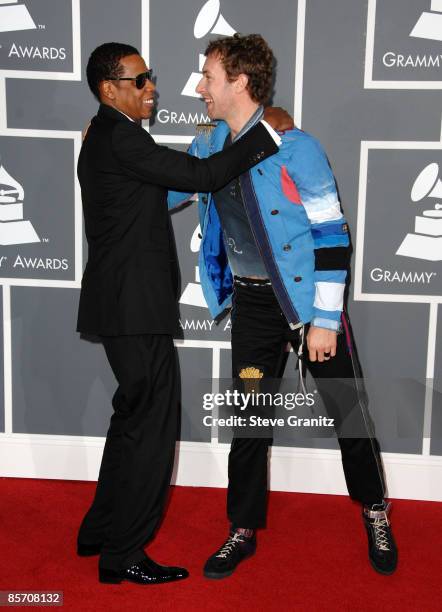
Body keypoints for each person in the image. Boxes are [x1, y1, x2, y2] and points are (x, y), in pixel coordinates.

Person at [168, 34, 398, 578]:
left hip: (305, 304)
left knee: (349, 414)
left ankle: (376, 511)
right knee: (250, 420)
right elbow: (164, 189)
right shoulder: (208, 147)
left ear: (239, 83)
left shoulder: (299, 148)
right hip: (252, 308)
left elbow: (332, 234)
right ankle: (241, 529)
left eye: (208, 76)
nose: (200, 87)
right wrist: (112, 149)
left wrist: (323, 320)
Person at [76, 41, 290, 586]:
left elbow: (176, 179)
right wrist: (265, 133)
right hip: (134, 309)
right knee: (150, 429)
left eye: (151, 76)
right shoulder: (118, 137)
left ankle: (99, 531)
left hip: (125, 305)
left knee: (131, 417)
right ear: (110, 90)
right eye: (141, 79)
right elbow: (200, 178)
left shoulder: (111, 137)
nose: (153, 87)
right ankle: (123, 553)